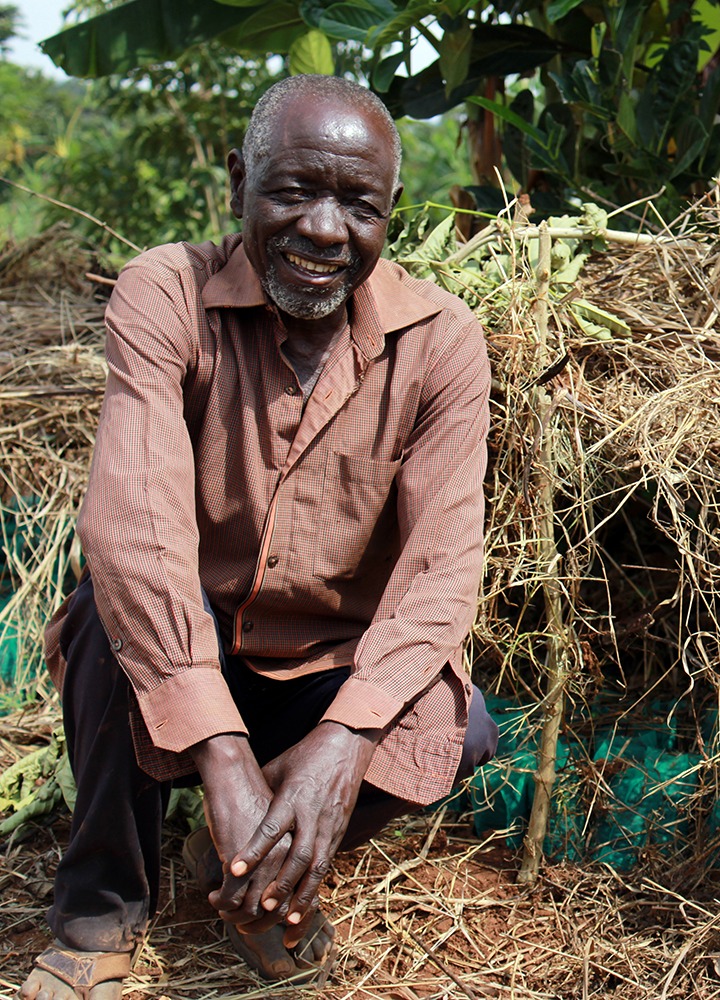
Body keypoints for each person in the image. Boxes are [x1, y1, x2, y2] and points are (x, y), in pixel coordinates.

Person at [21, 75, 499, 1000]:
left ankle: (244, 872)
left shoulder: (441, 343)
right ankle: (101, 904)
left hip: (316, 667)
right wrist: (223, 753)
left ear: (391, 211)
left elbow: (442, 572)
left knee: (456, 722)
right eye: (292, 191)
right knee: (101, 624)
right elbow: (136, 528)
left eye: (357, 204)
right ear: (240, 178)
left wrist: (345, 743)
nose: (323, 230)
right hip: (186, 641)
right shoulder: (169, 291)